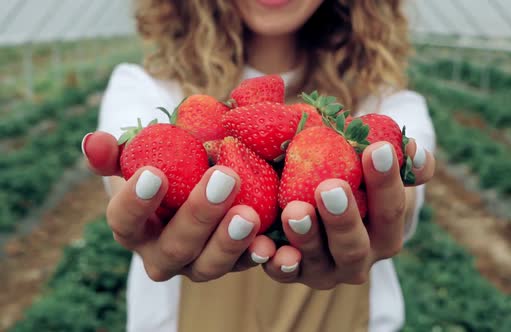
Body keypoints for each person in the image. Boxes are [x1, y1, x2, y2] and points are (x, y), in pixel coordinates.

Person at [81, 0, 436, 331]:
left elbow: (402, 200)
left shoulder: (388, 101)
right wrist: (145, 211)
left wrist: (391, 207)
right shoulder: (143, 87)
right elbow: (132, 178)